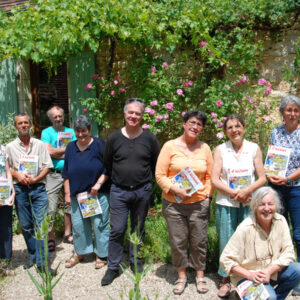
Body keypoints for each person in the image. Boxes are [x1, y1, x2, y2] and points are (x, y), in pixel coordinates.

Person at [101, 98, 160, 286]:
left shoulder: (150, 138)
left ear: (142, 116)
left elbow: (155, 164)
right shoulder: (114, 138)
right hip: (118, 191)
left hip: (142, 190)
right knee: (117, 229)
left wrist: (148, 183)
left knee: (138, 227)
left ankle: (136, 261)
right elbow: (108, 164)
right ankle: (113, 267)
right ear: (124, 114)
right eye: (130, 113)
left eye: (138, 113)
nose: (134, 116)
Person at [155, 110, 213, 295]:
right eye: (192, 122)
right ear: (184, 124)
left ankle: (199, 274)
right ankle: (181, 276)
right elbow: (159, 175)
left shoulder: (204, 148)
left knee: (199, 241)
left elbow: (211, 176)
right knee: (178, 241)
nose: (195, 127)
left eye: (199, 125)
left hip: (198, 203)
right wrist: (175, 189)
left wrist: (207, 197)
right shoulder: (169, 146)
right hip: (174, 204)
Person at [211, 114, 266, 298]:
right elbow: (214, 178)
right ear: (225, 132)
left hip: (249, 202)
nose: (234, 130)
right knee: (226, 241)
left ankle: (247, 279)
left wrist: (246, 191)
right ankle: (225, 279)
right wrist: (235, 194)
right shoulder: (220, 150)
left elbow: (262, 177)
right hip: (226, 202)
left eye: (237, 126)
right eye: (230, 127)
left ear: (244, 128)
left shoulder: (254, 148)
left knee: (249, 240)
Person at [220, 186, 300, 300]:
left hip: (270, 272)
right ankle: (247, 293)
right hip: (249, 276)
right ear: (255, 206)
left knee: (297, 270)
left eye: (270, 204)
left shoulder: (281, 221)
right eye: (262, 204)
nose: (267, 208)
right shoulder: (245, 228)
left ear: (276, 205)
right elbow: (225, 259)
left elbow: (289, 253)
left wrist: (269, 271)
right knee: (270, 297)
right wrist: (250, 275)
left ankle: (255, 296)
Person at [6, 113, 54, 273]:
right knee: (26, 226)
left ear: (30, 124)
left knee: (41, 226)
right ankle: (33, 256)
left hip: (38, 189)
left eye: (26, 122)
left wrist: (36, 179)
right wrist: (17, 174)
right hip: (20, 190)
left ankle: (43, 263)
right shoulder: (9, 147)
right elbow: (7, 169)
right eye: (20, 123)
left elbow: (48, 166)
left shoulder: (40, 145)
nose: (24, 125)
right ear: (15, 126)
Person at [62, 115, 110, 269]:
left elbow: (108, 167)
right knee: (78, 226)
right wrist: (67, 193)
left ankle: (101, 254)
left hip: (97, 194)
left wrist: (98, 185)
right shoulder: (70, 147)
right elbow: (66, 172)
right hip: (78, 196)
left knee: (100, 224)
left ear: (89, 130)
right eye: (78, 131)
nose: (81, 135)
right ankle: (80, 252)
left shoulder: (99, 144)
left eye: (84, 131)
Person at [267, 94, 300, 295]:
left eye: (296, 110)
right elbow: (271, 158)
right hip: (277, 188)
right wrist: (273, 176)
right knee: (279, 230)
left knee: (299, 234)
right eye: (289, 109)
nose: (292, 113)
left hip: (297, 188)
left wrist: (287, 179)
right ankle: (282, 273)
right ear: (282, 112)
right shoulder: (275, 132)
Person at [41, 105, 76, 251]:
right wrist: (65, 151)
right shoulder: (46, 132)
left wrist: (57, 152)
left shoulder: (71, 131)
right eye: (55, 116)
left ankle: (68, 234)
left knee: (70, 205)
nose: (58, 119)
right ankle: (50, 237)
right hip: (53, 174)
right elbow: (48, 151)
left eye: (60, 116)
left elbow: (75, 150)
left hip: (70, 173)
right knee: (51, 207)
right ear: (50, 118)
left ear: (64, 116)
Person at [0, 144, 15, 276]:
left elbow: (8, 171)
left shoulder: (3, 149)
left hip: (4, 195)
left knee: (6, 229)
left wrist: (12, 191)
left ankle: (5, 264)